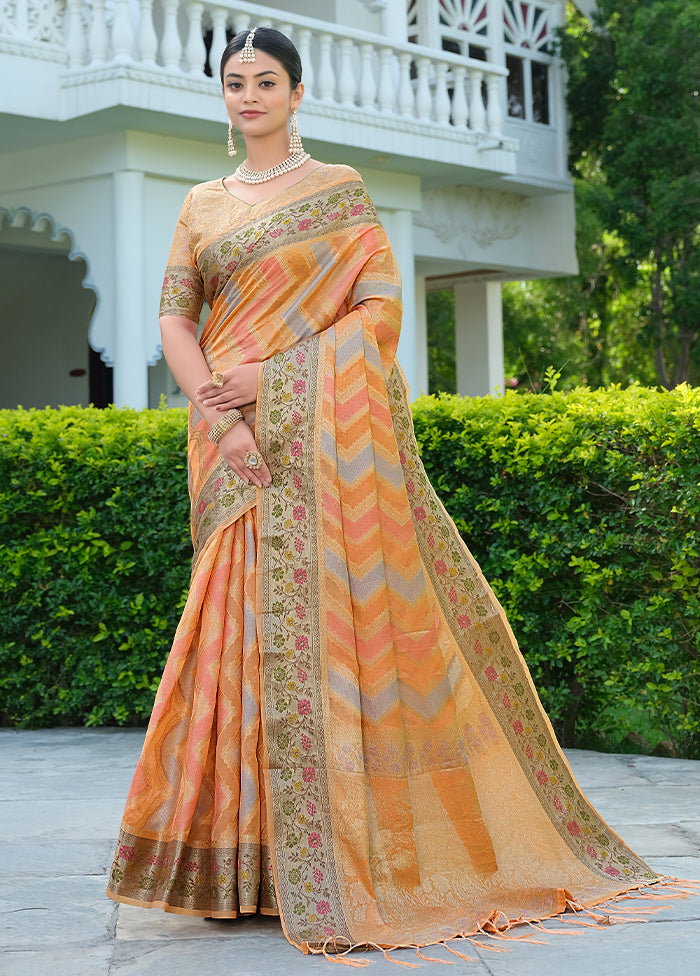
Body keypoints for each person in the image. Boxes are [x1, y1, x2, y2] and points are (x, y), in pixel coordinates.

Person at [107, 26, 666, 958]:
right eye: (235, 82)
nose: (249, 95)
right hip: (228, 440)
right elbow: (176, 316)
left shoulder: (339, 191)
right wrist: (222, 411)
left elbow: (378, 312)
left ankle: (330, 863)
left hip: (318, 438)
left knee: (329, 631)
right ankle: (239, 867)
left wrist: (273, 379)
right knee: (234, 628)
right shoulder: (201, 205)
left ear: (296, 93)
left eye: (266, 81)